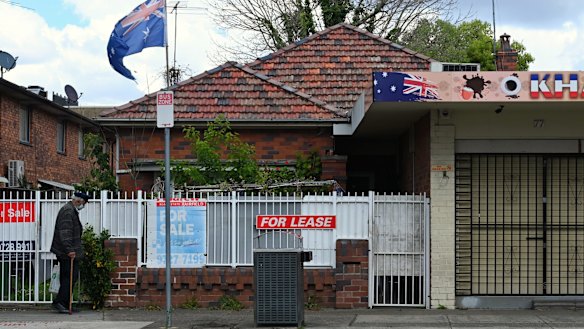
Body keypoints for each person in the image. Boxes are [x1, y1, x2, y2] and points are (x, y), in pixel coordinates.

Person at [50, 191, 89, 314]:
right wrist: (70, 250)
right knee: (69, 277)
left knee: (69, 277)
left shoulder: (70, 210)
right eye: (83, 203)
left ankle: (65, 303)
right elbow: (65, 233)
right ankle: (61, 302)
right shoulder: (68, 211)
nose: (83, 206)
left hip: (66, 251)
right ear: (78, 201)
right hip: (66, 252)